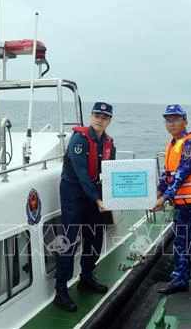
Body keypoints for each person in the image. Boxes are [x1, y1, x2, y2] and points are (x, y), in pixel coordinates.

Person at [53, 102, 117, 312]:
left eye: (104, 117)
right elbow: (81, 173)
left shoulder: (109, 143)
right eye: (97, 115)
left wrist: (113, 196)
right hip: (73, 192)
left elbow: (111, 173)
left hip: (94, 194)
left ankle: (86, 277)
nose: (100, 119)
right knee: (69, 239)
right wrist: (98, 199)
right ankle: (60, 290)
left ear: (109, 120)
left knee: (95, 236)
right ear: (91, 116)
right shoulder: (78, 140)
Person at [151, 104, 191, 309]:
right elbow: (168, 172)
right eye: (168, 120)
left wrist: (164, 197)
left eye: (175, 119)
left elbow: (182, 173)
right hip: (181, 206)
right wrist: (160, 188)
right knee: (179, 245)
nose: (171, 123)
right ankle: (180, 281)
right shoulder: (172, 144)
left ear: (185, 121)